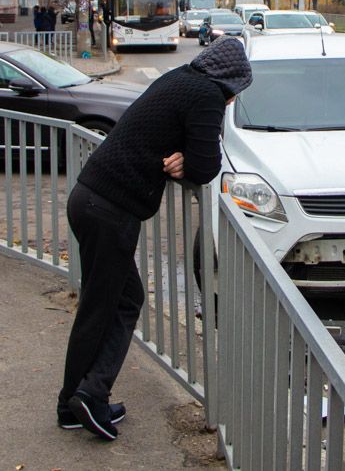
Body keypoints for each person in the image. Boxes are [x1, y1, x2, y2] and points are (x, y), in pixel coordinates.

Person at [57, 37, 252, 441]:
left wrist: (180, 151)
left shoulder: (180, 77)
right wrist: (188, 158)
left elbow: (169, 135)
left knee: (120, 300)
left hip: (91, 199)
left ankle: (81, 398)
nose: (231, 103)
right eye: (236, 95)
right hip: (110, 211)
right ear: (231, 83)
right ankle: (83, 398)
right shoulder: (208, 95)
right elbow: (205, 167)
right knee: (104, 307)